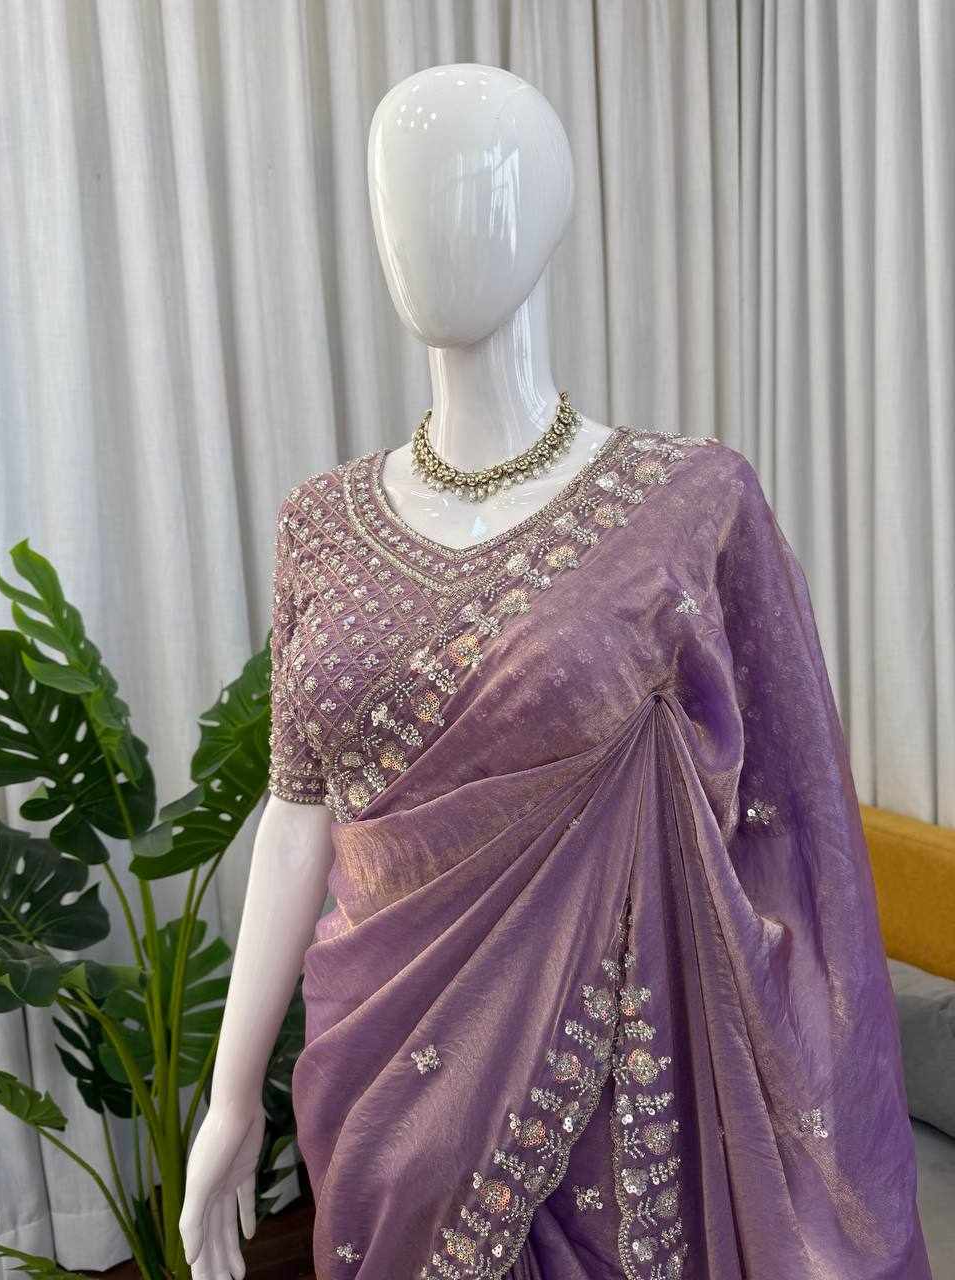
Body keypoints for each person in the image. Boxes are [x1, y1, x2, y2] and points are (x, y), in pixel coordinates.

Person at [180, 64, 931, 1280]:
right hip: (379, 1090)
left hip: (608, 1118)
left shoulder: (690, 500)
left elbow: (790, 825)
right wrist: (228, 1098)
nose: (430, 224)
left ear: (551, 211)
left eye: (475, 184)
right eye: (400, 191)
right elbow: (296, 807)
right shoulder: (318, 522)